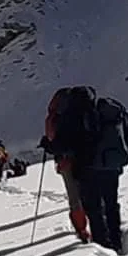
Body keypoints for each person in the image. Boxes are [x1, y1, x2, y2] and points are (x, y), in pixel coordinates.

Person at [40, 86, 128, 253]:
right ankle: (116, 239)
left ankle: (103, 244)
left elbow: (63, 145)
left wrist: (48, 145)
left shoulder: (72, 115)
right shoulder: (107, 110)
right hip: (111, 167)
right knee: (111, 203)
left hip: (87, 169)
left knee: (94, 208)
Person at [39, 88, 90, 243]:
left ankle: (82, 230)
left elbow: (56, 143)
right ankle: (101, 227)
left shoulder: (57, 117)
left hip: (66, 162)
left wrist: (48, 145)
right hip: (90, 158)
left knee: (75, 198)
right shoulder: (86, 111)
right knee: (91, 193)